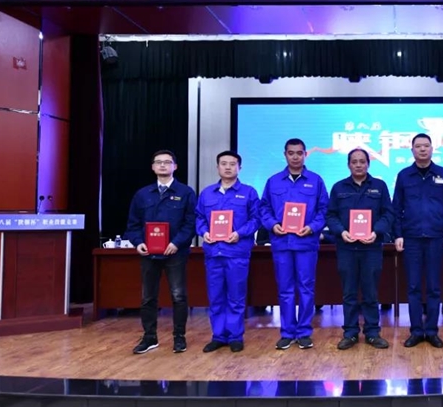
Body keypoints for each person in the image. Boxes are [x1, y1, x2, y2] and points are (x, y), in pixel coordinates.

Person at [125, 150, 196, 354]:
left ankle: (179, 337)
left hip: (176, 253)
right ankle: (149, 337)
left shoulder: (186, 192)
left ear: (175, 166)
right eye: (158, 162)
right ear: (153, 167)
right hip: (149, 254)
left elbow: (190, 223)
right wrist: (138, 243)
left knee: (178, 296)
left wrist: (177, 243)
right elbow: (133, 224)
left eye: (167, 162)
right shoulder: (142, 194)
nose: (163, 165)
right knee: (148, 297)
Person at [260, 138, 329, 350]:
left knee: (306, 288)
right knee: (285, 289)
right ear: (285, 155)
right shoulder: (273, 181)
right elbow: (264, 209)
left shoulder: (316, 181)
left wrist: (312, 227)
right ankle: (287, 332)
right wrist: (273, 225)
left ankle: (304, 332)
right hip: (281, 243)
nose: (295, 157)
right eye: (291, 153)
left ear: (305, 154)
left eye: (299, 153)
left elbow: (324, 210)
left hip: (306, 242)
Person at [326, 149, 394, 350]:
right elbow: (331, 215)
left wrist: (376, 231)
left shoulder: (379, 186)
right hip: (346, 247)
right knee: (349, 293)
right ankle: (350, 333)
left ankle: (372, 332)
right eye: (354, 161)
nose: (358, 165)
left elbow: (388, 214)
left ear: (368, 164)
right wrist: (341, 232)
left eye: (362, 161)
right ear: (349, 164)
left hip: (371, 247)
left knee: (370, 292)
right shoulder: (339, 187)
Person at [393, 133, 443, 349]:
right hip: (411, 238)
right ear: (412, 150)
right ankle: (416, 331)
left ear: (432, 148)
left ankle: (431, 331)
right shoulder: (404, 175)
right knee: (413, 287)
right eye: (418, 146)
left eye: (426, 146)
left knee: (434, 288)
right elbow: (396, 208)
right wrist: (398, 234)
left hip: (436, 237)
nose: (422, 149)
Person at [195, 151, 260, 353]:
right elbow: (199, 218)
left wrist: (240, 233)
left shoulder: (249, 192)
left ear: (240, 167)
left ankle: (234, 336)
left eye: (232, 164)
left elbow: (256, 220)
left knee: (236, 297)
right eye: (224, 163)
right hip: (213, 253)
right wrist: (204, 232)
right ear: (217, 167)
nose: (228, 167)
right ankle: (218, 336)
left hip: (237, 253)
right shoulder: (207, 193)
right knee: (216, 297)